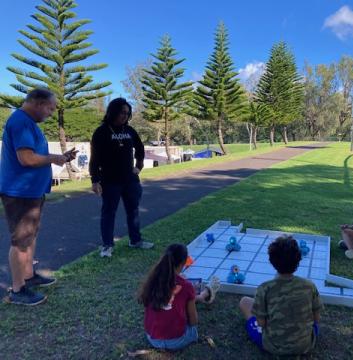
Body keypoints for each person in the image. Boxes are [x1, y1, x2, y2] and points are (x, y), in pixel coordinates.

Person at [0, 88, 77, 305]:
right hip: (20, 192)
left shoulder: (28, 123)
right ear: (38, 103)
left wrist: (62, 157)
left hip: (31, 191)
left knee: (30, 236)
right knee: (20, 241)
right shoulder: (21, 122)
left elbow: (35, 156)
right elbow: (26, 159)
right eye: (50, 109)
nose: (51, 114)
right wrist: (55, 158)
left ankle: (28, 276)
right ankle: (17, 290)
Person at [89, 98, 153, 257]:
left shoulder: (130, 131)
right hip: (110, 181)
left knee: (133, 211)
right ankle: (107, 246)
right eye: (121, 112)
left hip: (130, 180)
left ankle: (135, 240)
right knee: (109, 212)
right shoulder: (101, 132)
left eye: (127, 113)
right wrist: (95, 180)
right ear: (113, 112)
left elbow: (140, 148)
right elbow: (94, 158)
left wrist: (139, 166)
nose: (124, 116)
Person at [239, 235, 321, 356]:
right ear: (298, 260)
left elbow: (261, 324)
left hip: (272, 345)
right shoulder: (309, 286)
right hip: (305, 344)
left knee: (245, 302)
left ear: (272, 261)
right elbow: (317, 319)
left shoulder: (264, 288)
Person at [138, 243, 220, 351]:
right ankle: (204, 295)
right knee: (191, 324)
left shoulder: (153, 279)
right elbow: (193, 321)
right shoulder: (186, 286)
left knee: (181, 299)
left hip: (152, 338)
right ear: (183, 263)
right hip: (176, 341)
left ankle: (201, 297)